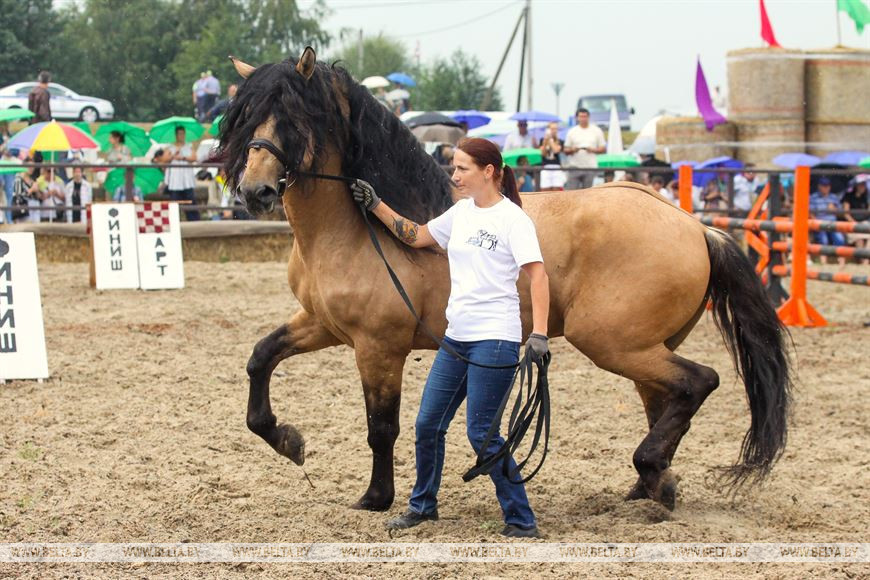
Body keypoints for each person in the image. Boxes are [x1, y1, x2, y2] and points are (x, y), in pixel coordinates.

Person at [350, 137, 550, 539]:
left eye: (462, 168)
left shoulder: (513, 220)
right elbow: (415, 235)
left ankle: (521, 518)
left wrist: (540, 334)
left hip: (496, 338)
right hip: (456, 338)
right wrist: (376, 205)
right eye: (454, 168)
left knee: (481, 433)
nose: (454, 175)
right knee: (427, 424)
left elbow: (538, 275)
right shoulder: (460, 213)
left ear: (489, 172)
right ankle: (423, 506)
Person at [563, 108, 605, 190]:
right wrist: (573, 150)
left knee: (588, 194)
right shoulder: (572, 131)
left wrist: (593, 150)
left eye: (585, 116)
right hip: (574, 166)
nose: (583, 119)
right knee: (571, 194)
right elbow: (566, 149)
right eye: (581, 116)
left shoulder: (596, 131)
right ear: (577, 118)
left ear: (588, 117)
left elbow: (603, 148)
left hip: (590, 167)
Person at [809, 177, 846, 265]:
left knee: (840, 239)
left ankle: (842, 262)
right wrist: (816, 223)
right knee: (823, 239)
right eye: (824, 186)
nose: (826, 188)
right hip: (820, 223)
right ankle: (823, 262)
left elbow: (841, 213)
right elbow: (811, 213)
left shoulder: (833, 197)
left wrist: (835, 209)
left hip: (833, 223)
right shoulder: (813, 197)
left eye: (827, 186)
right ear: (819, 186)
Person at [165, 126, 199, 220]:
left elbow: (194, 158)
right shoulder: (170, 147)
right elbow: (164, 159)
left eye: (183, 134)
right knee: (174, 205)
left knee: (190, 203)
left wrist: (183, 158)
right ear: (176, 135)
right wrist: (173, 156)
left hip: (187, 180)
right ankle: (174, 221)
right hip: (175, 181)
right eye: (180, 134)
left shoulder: (189, 146)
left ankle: (194, 222)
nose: (182, 136)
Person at [841, 174, 869, 264]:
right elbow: (846, 213)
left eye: (864, 184)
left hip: (865, 222)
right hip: (852, 223)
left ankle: (865, 262)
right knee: (859, 238)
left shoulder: (867, 194)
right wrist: (854, 222)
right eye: (861, 184)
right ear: (856, 185)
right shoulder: (849, 195)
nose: (863, 186)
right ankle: (862, 261)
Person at [538, 121, 566, 191]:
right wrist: (545, 142)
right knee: (545, 189)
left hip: (556, 167)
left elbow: (556, 150)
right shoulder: (542, 140)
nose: (554, 131)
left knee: (556, 190)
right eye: (552, 129)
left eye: (556, 129)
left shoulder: (560, 141)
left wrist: (550, 140)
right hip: (545, 166)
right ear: (548, 130)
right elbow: (542, 153)